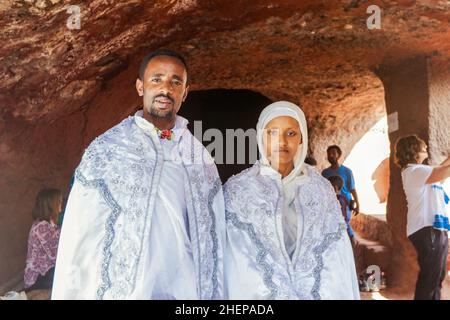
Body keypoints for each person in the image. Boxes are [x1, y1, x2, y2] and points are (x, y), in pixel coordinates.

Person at [52, 49, 225, 300]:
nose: (166, 89)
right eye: (157, 79)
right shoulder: (108, 150)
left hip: (182, 289)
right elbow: (81, 234)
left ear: (184, 93)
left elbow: (213, 238)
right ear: (140, 86)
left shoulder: (200, 159)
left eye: (176, 82)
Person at [224, 101, 359, 300]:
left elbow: (336, 253)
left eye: (291, 133)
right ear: (261, 137)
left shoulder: (320, 189)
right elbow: (236, 258)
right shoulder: (238, 189)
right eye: (272, 133)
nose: (282, 141)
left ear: (301, 137)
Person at [394, 134, 450, 300]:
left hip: (433, 230)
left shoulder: (420, 172)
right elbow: (441, 172)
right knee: (430, 279)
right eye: (422, 147)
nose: (426, 148)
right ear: (413, 151)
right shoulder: (413, 172)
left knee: (436, 277)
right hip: (427, 230)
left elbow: (439, 170)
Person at [24, 188, 62, 292]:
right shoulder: (42, 228)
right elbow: (55, 256)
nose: (61, 205)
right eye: (59, 202)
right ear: (51, 205)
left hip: (46, 272)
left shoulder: (50, 223)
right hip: (37, 278)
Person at [322, 145, 360, 216]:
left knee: (344, 225)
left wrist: (357, 204)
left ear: (338, 155)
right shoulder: (325, 173)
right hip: (330, 206)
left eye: (333, 153)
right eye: (329, 154)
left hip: (345, 205)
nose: (331, 155)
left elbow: (352, 189)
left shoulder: (347, 171)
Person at [327, 175, 356, 245]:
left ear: (335, 188)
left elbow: (344, 220)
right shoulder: (336, 199)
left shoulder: (340, 201)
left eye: (328, 187)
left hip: (340, 231)